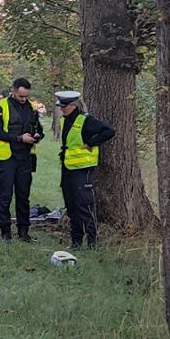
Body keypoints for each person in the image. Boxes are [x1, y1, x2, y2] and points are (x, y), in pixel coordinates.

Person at [55, 90, 115, 249]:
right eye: (61, 106)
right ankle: (75, 241)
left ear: (74, 105)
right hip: (68, 169)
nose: (62, 109)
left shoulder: (86, 120)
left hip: (83, 170)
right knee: (71, 206)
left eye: (65, 106)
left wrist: (91, 143)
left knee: (85, 206)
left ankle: (92, 242)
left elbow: (109, 131)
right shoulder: (64, 120)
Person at [0, 77, 43, 242]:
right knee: (5, 196)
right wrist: (20, 138)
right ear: (13, 90)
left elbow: (38, 128)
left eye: (26, 96)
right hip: (7, 158)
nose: (23, 99)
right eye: (21, 96)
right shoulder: (1, 107)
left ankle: (23, 232)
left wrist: (37, 135)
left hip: (25, 157)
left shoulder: (30, 108)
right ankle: (5, 232)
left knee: (23, 196)